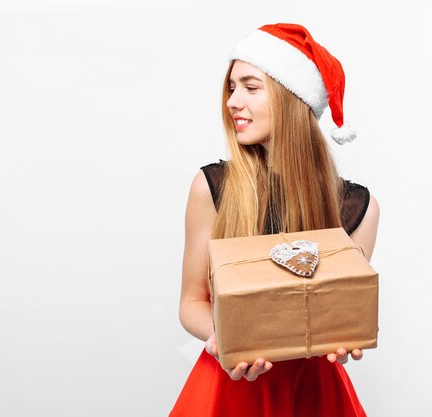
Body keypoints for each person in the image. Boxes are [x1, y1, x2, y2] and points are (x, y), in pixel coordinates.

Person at [169, 23, 380, 417]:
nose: (233, 101)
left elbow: (340, 314)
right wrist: (225, 338)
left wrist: (344, 338)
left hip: (314, 392)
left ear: (291, 98)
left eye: (250, 87)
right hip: (230, 388)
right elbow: (191, 302)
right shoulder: (212, 188)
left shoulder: (358, 208)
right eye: (232, 88)